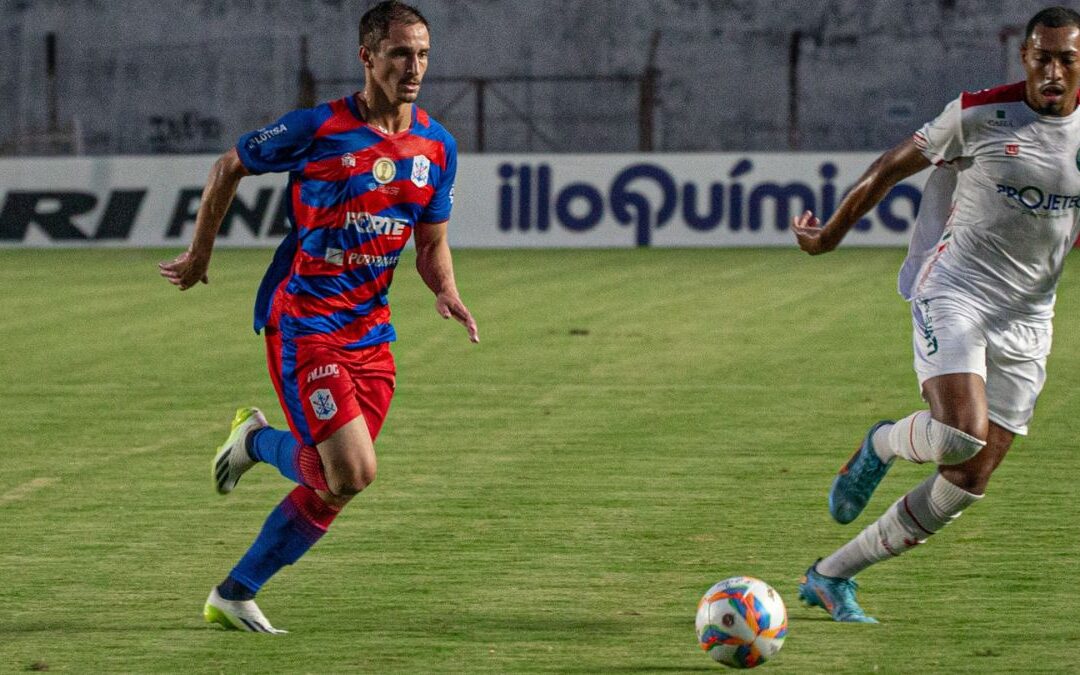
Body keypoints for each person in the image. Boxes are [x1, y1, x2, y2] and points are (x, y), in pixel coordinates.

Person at [159, 0, 478, 633]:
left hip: (372, 332)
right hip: (304, 321)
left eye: (422, 54)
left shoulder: (437, 148)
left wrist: (445, 289)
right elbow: (230, 166)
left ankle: (235, 587)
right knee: (350, 470)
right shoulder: (318, 128)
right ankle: (254, 447)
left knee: (339, 484)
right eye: (398, 54)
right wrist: (200, 254)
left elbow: (431, 242)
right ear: (367, 57)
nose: (413, 67)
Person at [791, 6, 1080, 623]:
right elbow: (893, 166)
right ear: (1024, 57)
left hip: (1030, 318)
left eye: (1068, 59)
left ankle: (829, 576)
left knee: (967, 480)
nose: (1053, 70)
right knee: (957, 433)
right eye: (1042, 57)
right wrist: (831, 236)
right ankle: (883, 441)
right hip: (957, 289)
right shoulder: (980, 114)